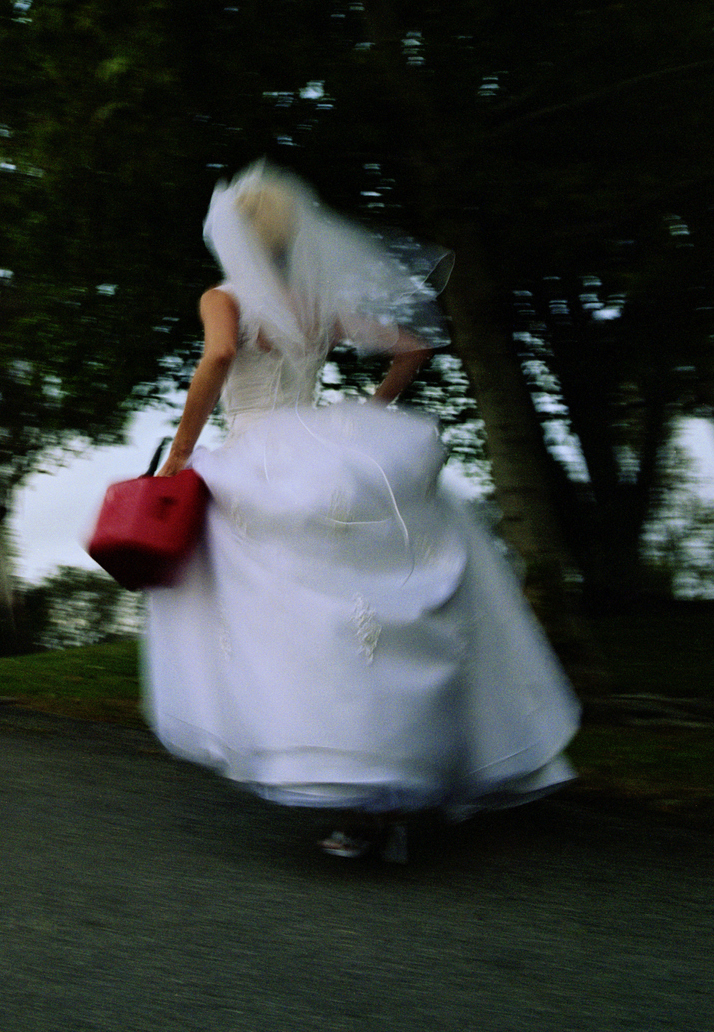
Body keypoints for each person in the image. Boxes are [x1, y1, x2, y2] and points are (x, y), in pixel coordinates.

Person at [146, 160, 579, 862]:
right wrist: (366, 416)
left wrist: (176, 454)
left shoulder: (221, 298)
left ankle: (340, 777)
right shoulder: (314, 299)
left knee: (287, 626)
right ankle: (389, 787)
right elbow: (412, 347)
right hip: (325, 456)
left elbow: (219, 355)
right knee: (356, 615)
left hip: (254, 463)